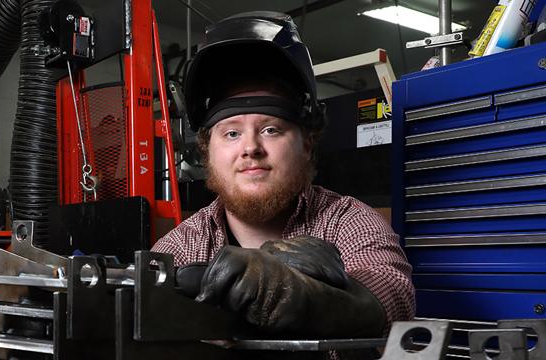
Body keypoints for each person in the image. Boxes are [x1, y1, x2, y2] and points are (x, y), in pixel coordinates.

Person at [152, 11, 415, 358]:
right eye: (231, 133)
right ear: (206, 153)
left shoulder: (348, 221)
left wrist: (311, 300)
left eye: (271, 129)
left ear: (306, 144)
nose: (250, 148)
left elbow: (392, 296)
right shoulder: (183, 246)